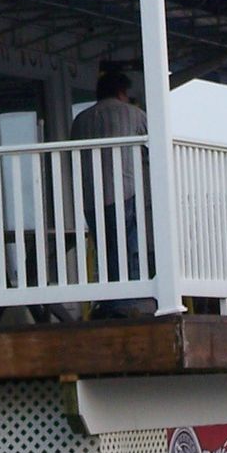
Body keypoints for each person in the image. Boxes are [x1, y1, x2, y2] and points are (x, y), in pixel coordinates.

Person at [71, 68, 152, 318]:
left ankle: (110, 303)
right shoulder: (134, 114)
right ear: (121, 92)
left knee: (104, 249)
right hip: (124, 190)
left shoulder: (81, 119)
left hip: (91, 196)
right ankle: (125, 303)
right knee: (127, 249)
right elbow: (153, 146)